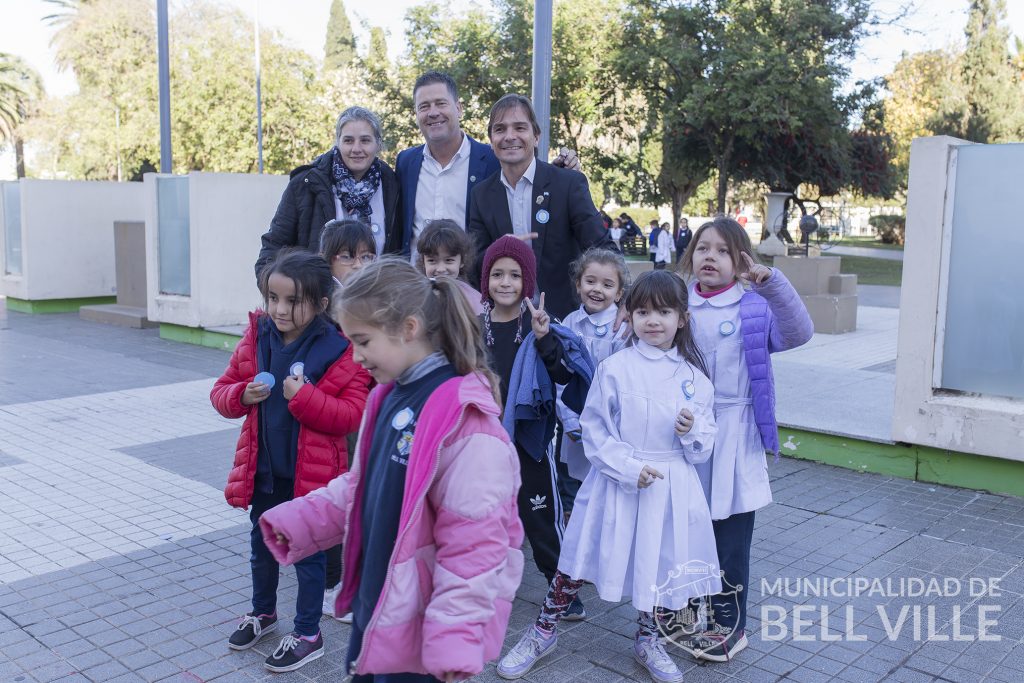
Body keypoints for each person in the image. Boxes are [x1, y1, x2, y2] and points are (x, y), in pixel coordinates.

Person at [256, 259, 524, 682]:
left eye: (363, 341)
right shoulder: (387, 396)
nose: (356, 356)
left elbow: (474, 543)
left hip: (425, 633)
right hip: (381, 605)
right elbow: (363, 486)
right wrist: (302, 520)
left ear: (409, 328)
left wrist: (454, 637)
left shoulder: (465, 421)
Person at [497, 270, 721, 683]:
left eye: (664, 312)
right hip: (616, 482)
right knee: (579, 556)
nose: (653, 321)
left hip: (670, 486)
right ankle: (544, 630)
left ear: (682, 318)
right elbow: (594, 429)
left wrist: (693, 433)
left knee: (658, 560)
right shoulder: (616, 368)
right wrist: (629, 468)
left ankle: (649, 637)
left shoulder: (696, 380)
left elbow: (706, 443)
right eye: (643, 312)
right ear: (629, 315)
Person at [212, 250, 371, 672]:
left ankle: (308, 634)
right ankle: (264, 614)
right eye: (273, 298)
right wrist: (241, 395)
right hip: (264, 472)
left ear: (320, 303)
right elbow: (222, 391)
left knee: (307, 556)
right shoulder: (257, 335)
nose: (279, 310)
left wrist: (304, 399)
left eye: (292, 300)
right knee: (261, 546)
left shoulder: (341, 348)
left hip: (312, 480)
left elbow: (352, 415)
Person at [677, 217, 812, 663]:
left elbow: (798, 332)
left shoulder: (751, 306)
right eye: (702, 248)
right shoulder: (677, 305)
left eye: (722, 250)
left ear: (740, 261)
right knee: (684, 529)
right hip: (684, 433)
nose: (709, 257)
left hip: (734, 435)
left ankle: (729, 627)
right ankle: (685, 616)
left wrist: (772, 283)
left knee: (730, 538)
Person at [478, 235, 590, 621]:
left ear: (528, 280)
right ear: (485, 279)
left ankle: (562, 588)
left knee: (541, 517)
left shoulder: (539, 323)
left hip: (530, 441)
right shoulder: (475, 325)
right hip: (484, 442)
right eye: (497, 274)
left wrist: (544, 339)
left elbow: (561, 372)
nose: (505, 283)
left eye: (514, 275)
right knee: (485, 516)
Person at [396, 71, 579, 257]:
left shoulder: (494, 159)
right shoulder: (406, 162)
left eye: (441, 103)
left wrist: (560, 171)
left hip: (472, 282)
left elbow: (531, 181)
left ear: (459, 109)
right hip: (416, 282)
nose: (433, 113)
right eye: (424, 106)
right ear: (416, 114)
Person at [467, 94, 613, 321]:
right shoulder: (481, 195)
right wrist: (503, 248)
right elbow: (475, 263)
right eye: (500, 129)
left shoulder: (567, 183)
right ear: (491, 140)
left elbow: (602, 248)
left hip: (564, 321)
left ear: (536, 136)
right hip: (507, 323)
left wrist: (627, 301)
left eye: (519, 127)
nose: (510, 136)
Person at [256, 107, 400, 279]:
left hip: (375, 301)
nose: (356, 148)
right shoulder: (305, 184)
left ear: (378, 144)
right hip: (319, 300)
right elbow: (273, 247)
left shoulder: (393, 185)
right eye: (348, 140)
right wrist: (277, 294)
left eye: (365, 140)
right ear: (337, 142)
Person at [556, 247, 631, 483]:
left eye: (607, 285)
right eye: (590, 281)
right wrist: (568, 418)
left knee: (605, 475)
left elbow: (623, 379)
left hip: (609, 418)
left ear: (619, 294)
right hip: (575, 416)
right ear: (578, 285)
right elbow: (561, 376)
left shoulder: (620, 329)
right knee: (577, 478)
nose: (597, 289)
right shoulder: (569, 323)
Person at [413, 218, 483, 314]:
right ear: (423, 261)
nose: (441, 269)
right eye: (432, 261)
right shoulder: (416, 299)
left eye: (449, 260)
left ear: (462, 260)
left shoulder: (474, 300)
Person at [319, 218, 377, 289]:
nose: (358, 265)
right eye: (347, 257)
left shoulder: (384, 296)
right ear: (324, 259)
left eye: (365, 257)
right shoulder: (312, 297)